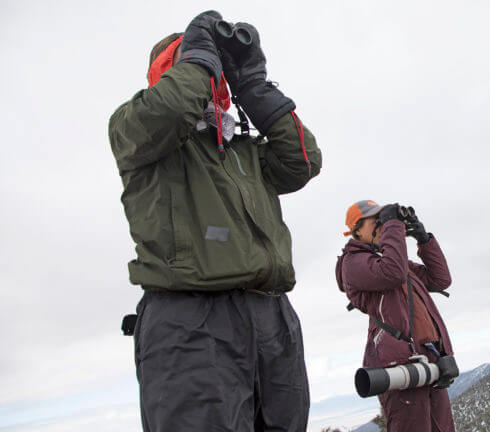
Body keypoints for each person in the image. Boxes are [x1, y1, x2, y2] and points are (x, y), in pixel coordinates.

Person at [108, 10, 321, 432]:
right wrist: (199, 56)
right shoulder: (137, 131)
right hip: (192, 324)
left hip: (272, 318)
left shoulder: (241, 150)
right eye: (198, 66)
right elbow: (168, 111)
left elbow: (302, 161)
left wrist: (254, 89)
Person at [335, 200, 456, 432]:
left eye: (384, 219)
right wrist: (393, 225)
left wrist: (424, 239)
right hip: (399, 366)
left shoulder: (391, 260)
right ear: (357, 229)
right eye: (376, 220)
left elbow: (441, 279)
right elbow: (393, 273)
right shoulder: (353, 263)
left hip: (430, 359)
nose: (382, 225)